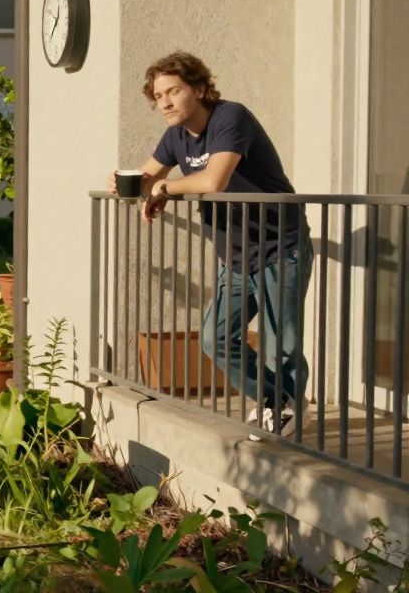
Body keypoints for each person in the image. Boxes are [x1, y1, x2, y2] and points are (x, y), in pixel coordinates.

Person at [108, 51, 313, 440]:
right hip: (234, 256)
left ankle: (288, 408)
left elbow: (213, 180)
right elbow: (149, 174)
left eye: (174, 91)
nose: (164, 102)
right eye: (158, 96)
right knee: (216, 338)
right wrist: (127, 184)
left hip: (277, 247)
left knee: (278, 342)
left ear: (199, 89)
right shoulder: (175, 136)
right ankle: (275, 400)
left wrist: (166, 188)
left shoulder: (230, 118)